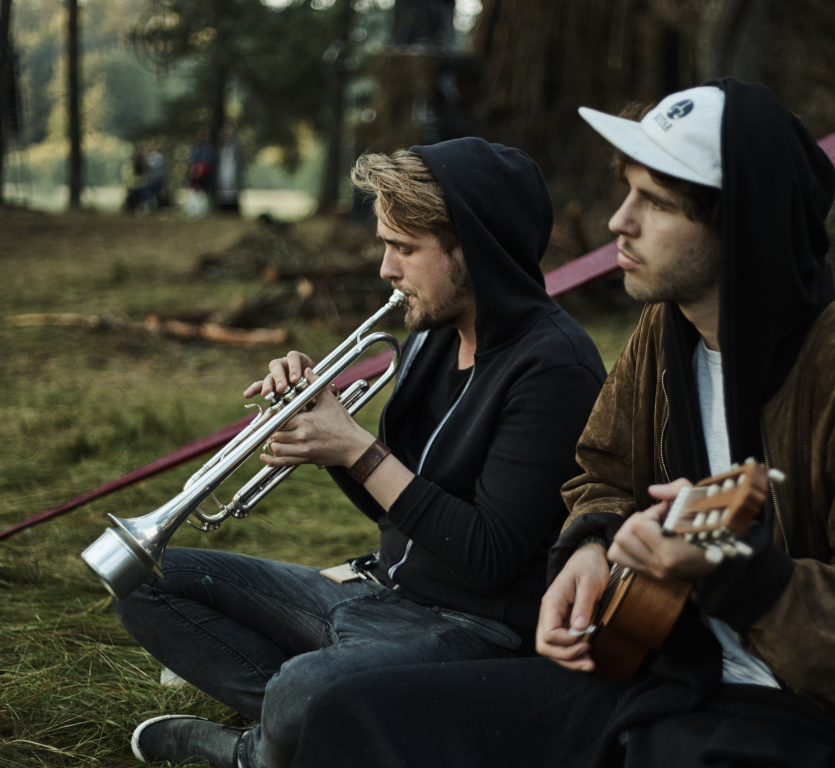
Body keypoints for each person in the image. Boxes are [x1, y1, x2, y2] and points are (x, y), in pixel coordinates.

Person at [286, 79, 835, 768]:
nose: (618, 222)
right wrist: (590, 545)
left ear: (739, 224)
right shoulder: (664, 334)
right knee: (349, 716)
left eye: (655, 203)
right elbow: (601, 473)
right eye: (628, 192)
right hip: (659, 673)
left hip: (818, 718)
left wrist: (745, 578)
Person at [115, 137, 607, 768]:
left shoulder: (553, 368)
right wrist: (323, 431)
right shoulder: (434, 334)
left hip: (473, 630)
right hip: (383, 591)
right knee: (142, 580)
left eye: (405, 248)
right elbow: (394, 503)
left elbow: (488, 558)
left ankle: (253, 751)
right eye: (385, 244)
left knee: (304, 687)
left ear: (475, 250)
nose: (385, 269)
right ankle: (326, 722)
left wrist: (357, 449)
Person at [214, 123, 244, 215]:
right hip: (222, 177)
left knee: (232, 196)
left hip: (233, 177)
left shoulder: (236, 148)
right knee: (223, 197)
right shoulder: (219, 149)